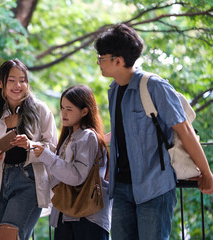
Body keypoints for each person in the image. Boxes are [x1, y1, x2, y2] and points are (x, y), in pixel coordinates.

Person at [94, 24, 213, 240]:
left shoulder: (154, 86)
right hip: (121, 189)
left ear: (118, 60)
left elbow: (185, 130)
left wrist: (207, 173)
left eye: (101, 57)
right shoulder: (114, 91)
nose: (98, 63)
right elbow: (126, 133)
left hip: (154, 188)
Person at [0, 59, 57, 240]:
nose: (18, 85)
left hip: (28, 180)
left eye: (22, 80)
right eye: (12, 80)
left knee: (8, 236)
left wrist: (31, 146)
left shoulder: (40, 110)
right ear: (1, 83)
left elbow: (53, 149)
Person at [33, 85, 111, 240]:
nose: (63, 113)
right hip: (70, 214)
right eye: (62, 108)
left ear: (84, 111)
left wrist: (46, 155)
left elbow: (76, 176)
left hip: (87, 218)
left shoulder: (87, 136)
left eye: (69, 109)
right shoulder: (71, 136)